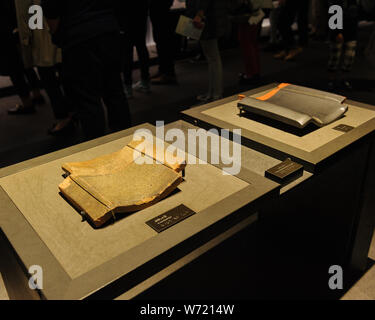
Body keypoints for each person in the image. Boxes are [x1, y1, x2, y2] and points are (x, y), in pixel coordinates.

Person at [42, 0, 131, 141]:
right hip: (108, 28)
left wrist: (58, 36)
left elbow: (51, 11)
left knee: (88, 100)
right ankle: (125, 143)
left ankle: (98, 151)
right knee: (114, 91)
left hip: (79, 37)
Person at [14, 0, 73, 135]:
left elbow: (25, 11)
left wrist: (25, 37)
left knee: (49, 79)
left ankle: (63, 118)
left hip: (41, 31)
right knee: (66, 74)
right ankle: (73, 112)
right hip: (62, 26)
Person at [187, 0, 229, 102]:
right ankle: (213, 93)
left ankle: (215, 94)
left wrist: (199, 15)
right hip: (209, 17)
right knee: (212, 58)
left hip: (208, 19)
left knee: (213, 58)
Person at [117, 1, 151, 99]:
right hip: (140, 16)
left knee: (127, 53)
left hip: (126, 19)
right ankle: (145, 83)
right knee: (142, 49)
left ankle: (127, 88)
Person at [233, 0, 273, 84]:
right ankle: (255, 72)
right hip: (260, 8)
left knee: (246, 41)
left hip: (252, 9)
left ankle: (251, 74)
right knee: (251, 41)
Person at [327, 0, 359, 90]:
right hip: (338, 30)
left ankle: (343, 79)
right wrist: (337, 32)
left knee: (349, 57)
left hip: (352, 31)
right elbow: (333, 12)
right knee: (335, 57)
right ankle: (331, 80)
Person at [149, 0, 178, 85]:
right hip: (160, 10)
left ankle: (167, 74)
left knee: (163, 43)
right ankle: (163, 70)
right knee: (160, 42)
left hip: (161, 11)